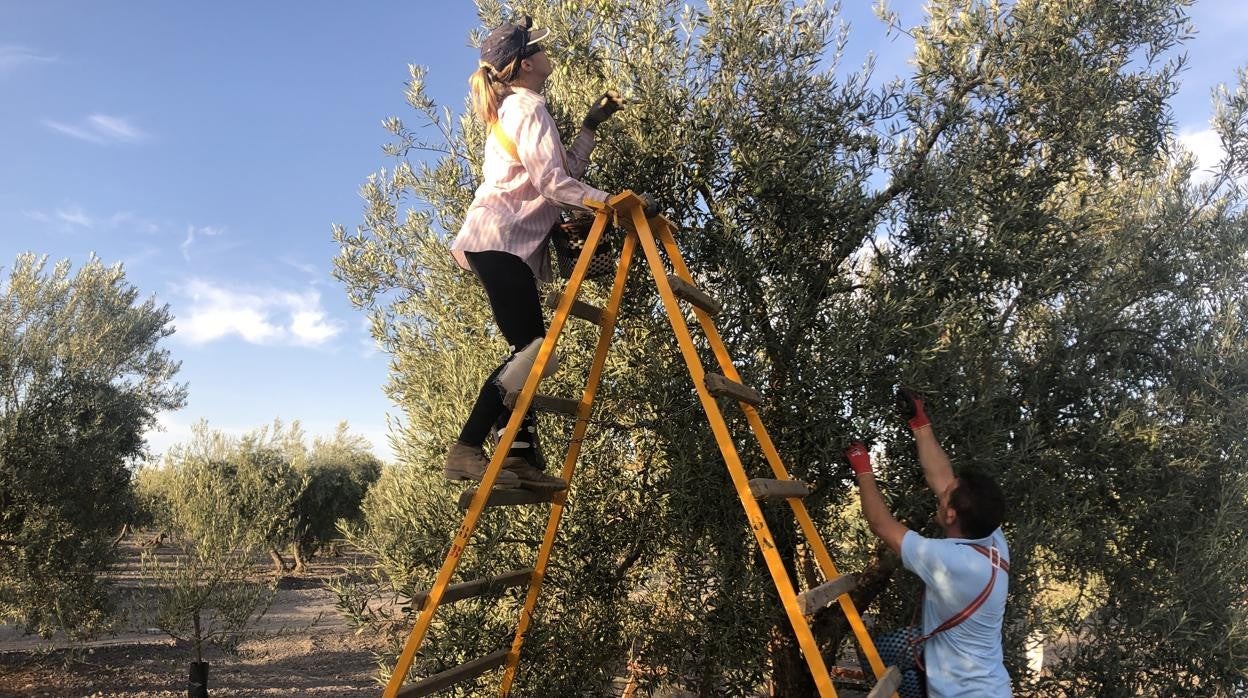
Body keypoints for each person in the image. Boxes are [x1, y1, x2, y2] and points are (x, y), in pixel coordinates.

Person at [444, 16, 630, 491]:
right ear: (526, 64)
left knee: (525, 354)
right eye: (541, 50)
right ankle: (466, 448)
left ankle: (519, 457)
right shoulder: (526, 108)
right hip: (499, 239)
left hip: (502, 243)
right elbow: (555, 185)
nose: (550, 55)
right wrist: (609, 201)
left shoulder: (521, 108)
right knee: (534, 352)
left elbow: (562, 169)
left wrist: (590, 124)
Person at [844, 388, 1011, 697]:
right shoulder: (992, 537)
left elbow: (882, 524)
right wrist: (919, 423)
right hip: (988, 683)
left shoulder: (951, 562)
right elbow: (943, 478)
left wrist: (863, 469)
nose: (942, 491)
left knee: (878, 657)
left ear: (950, 514)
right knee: (879, 652)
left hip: (963, 694)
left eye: (946, 496)